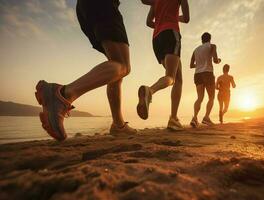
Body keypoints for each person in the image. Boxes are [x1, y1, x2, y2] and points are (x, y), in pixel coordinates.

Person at [35, 0, 137, 141]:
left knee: (115, 67)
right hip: (104, 5)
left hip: (85, 7)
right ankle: (63, 94)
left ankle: (118, 125)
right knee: (123, 66)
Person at [138, 0, 190, 131]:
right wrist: (173, 18)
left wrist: (161, 21)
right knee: (171, 78)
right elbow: (187, 18)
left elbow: (149, 22)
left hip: (157, 38)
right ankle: (150, 91)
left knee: (178, 78)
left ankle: (173, 118)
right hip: (171, 33)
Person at [190, 32, 221, 127]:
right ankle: (206, 117)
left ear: (202, 40)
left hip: (197, 74)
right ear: (210, 39)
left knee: (199, 98)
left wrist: (199, 64)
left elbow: (191, 65)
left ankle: (194, 118)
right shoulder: (212, 46)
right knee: (211, 97)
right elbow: (215, 60)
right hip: (207, 73)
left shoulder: (195, 50)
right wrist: (219, 60)